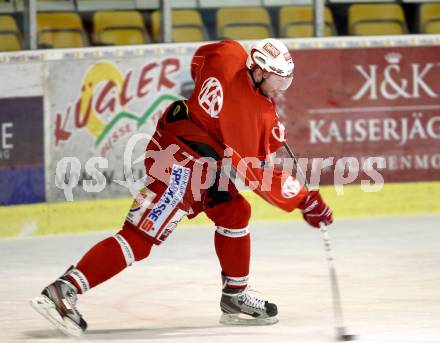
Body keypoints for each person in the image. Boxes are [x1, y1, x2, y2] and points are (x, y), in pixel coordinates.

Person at [31, 38, 333, 337]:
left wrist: (227, 121)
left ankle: (235, 296)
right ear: (259, 71)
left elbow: (198, 62)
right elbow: (257, 173)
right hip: (180, 163)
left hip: (186, 140)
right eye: (277, 81)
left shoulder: (229, 51)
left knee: (234, 211)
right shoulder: (251, 112)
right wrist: (305, 200)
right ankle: (64, 289)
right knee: (139, 238)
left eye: (285, 81)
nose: (279, 89)